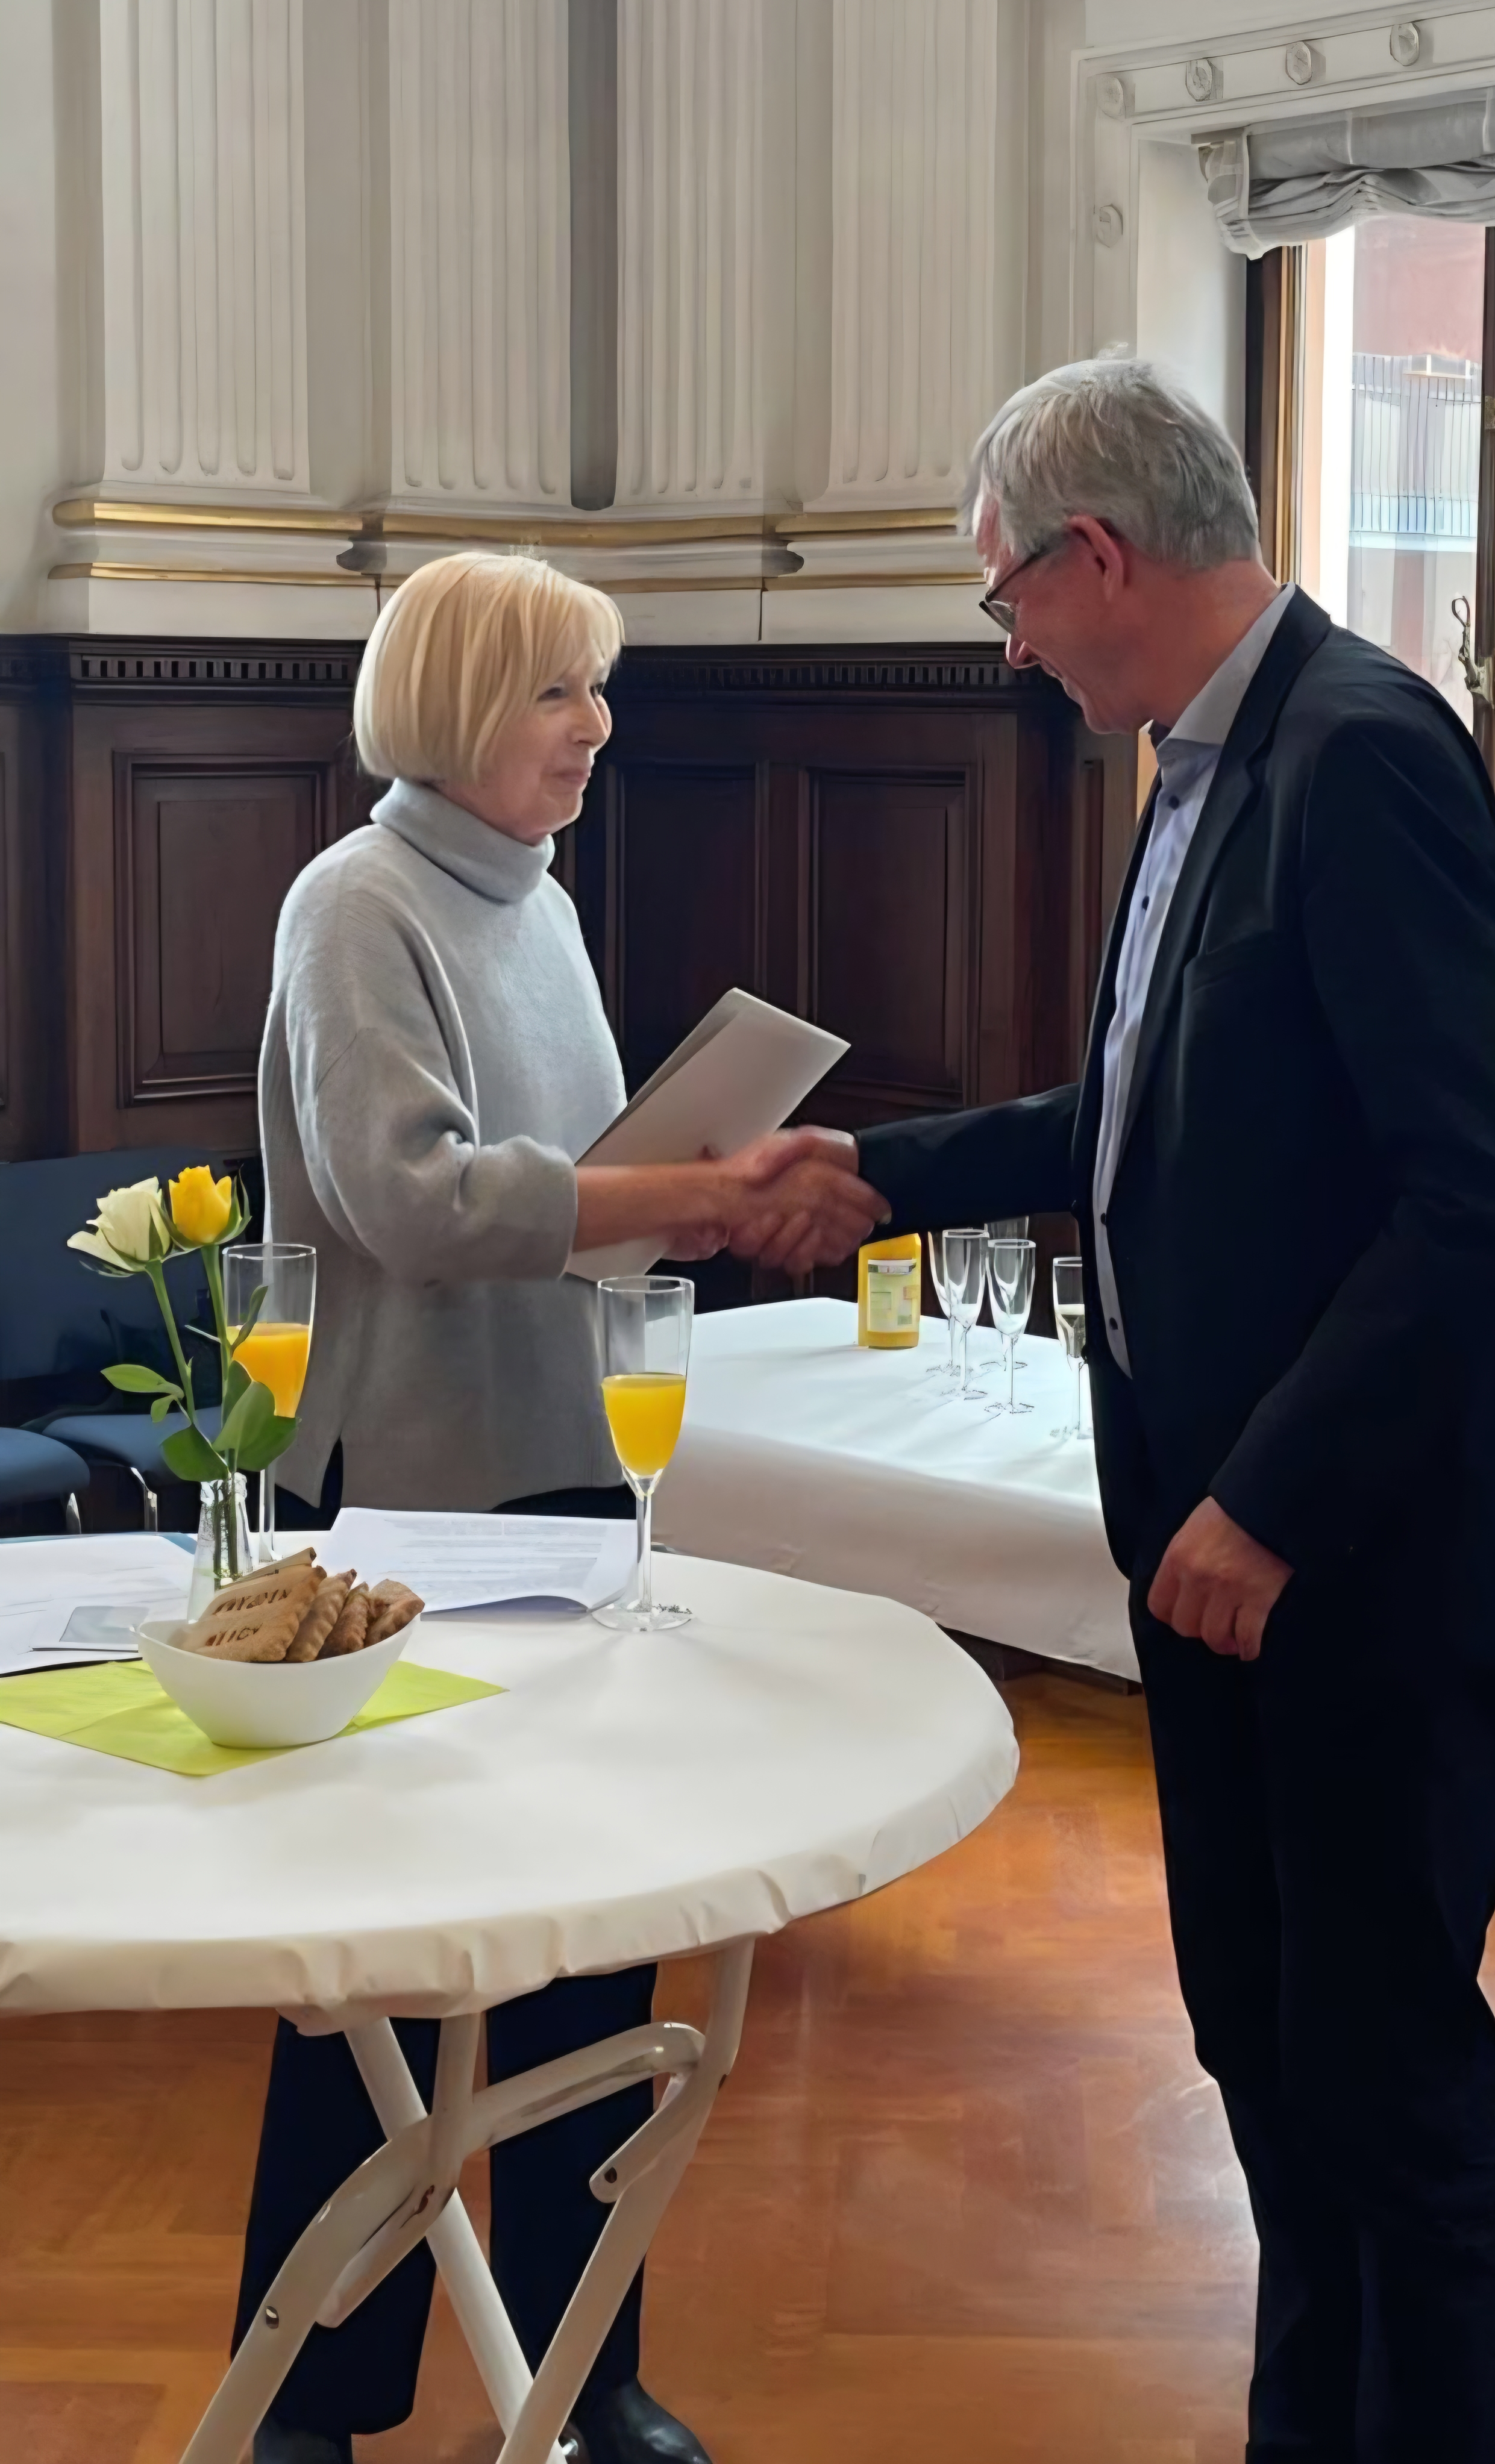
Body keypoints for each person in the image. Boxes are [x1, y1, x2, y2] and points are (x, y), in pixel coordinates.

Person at [848, 358, 1495, 2464]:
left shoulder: (1359, 751)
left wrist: (1269, 1500)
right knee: (1267, 2053)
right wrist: (875, 1176)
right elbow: (1137, 1121)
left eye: (1006, 602)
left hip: (1353, 1562)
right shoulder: (1202, 758)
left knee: (1386, 2087)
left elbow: (1473, 1204)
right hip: (1218, 1559)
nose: (1006, 651)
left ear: (1094, 558)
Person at [237, 552, 884, 2464]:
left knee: (594, 1950)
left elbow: (565, 1189)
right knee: (366, 1975)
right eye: (555, 692)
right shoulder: (352, 901)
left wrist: (679, 1181)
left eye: (600, 690)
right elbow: (414, 1203)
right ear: (450, 704)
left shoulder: (541, 905)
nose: (596, 727)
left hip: (565, 1466)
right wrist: (689, 1195)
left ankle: (585, 2381)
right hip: (402, 1493)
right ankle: (311, 2400)